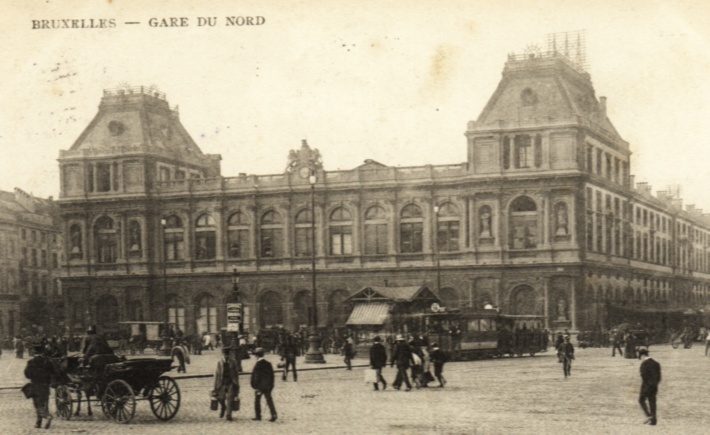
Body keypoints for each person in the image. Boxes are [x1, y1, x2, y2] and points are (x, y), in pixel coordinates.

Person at [24, 344, 56, 429]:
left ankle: (46, 417)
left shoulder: (31, 362)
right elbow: (53, 372)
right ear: (42, 352)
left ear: (34, 352)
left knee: (37, 404)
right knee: (45, 403)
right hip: (46, 385)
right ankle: (39, 422)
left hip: (35, 385)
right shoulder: (48, 362)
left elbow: (27, 374)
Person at [212, 345, 240, 421]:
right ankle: (223, 407)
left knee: (230, 398)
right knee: (221, 398)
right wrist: (215, 387)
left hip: (231, 382)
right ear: (223, 354)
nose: (226, 356)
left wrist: (237, 385)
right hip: (222, 383)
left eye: (227, 354)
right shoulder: (219, 363)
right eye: (225, 354)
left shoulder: (233, 362)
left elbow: (236, 374)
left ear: (229, 354)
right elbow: (217, 375)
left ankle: (228, 415)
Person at [250, 347, 277, 422]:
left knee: (257, 401)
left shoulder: (258, 364)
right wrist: (270, 386)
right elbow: (271, 376)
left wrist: (255, 386)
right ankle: (273, 414)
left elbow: (256, 377)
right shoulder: (268, 364)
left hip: (259, 387)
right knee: (269, 400)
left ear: (257, 355)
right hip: (267, 386)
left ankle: (258, 416)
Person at [638, 348, 661, 425]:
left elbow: (643, 376)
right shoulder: (656, 363)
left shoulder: (644, 364)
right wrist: (655, 384)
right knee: (652, 402)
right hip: (654, 386)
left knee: (641, 400)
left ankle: (649, 416)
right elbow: (659, 377)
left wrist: (646, 386)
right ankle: (654, 420)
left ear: (642, 355)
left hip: (646, 386)